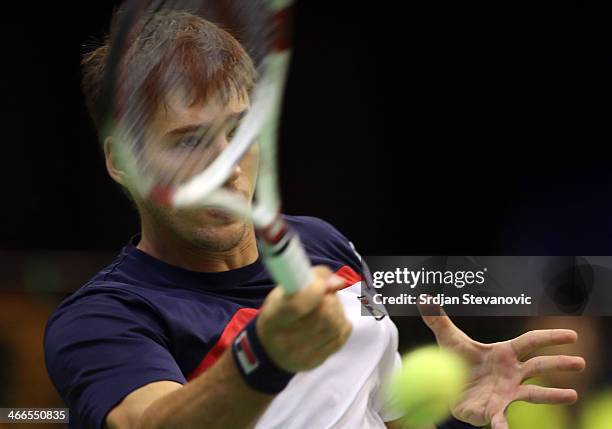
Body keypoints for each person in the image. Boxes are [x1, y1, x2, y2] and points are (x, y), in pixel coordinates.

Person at [44, 10, 585, 429]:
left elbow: (372, 411)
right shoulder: (103, 319)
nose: (226, 163)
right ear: (122, 162)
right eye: (190, 141)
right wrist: (265, 354)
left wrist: (445, 410)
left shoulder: (323, 245)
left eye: (239, 130)